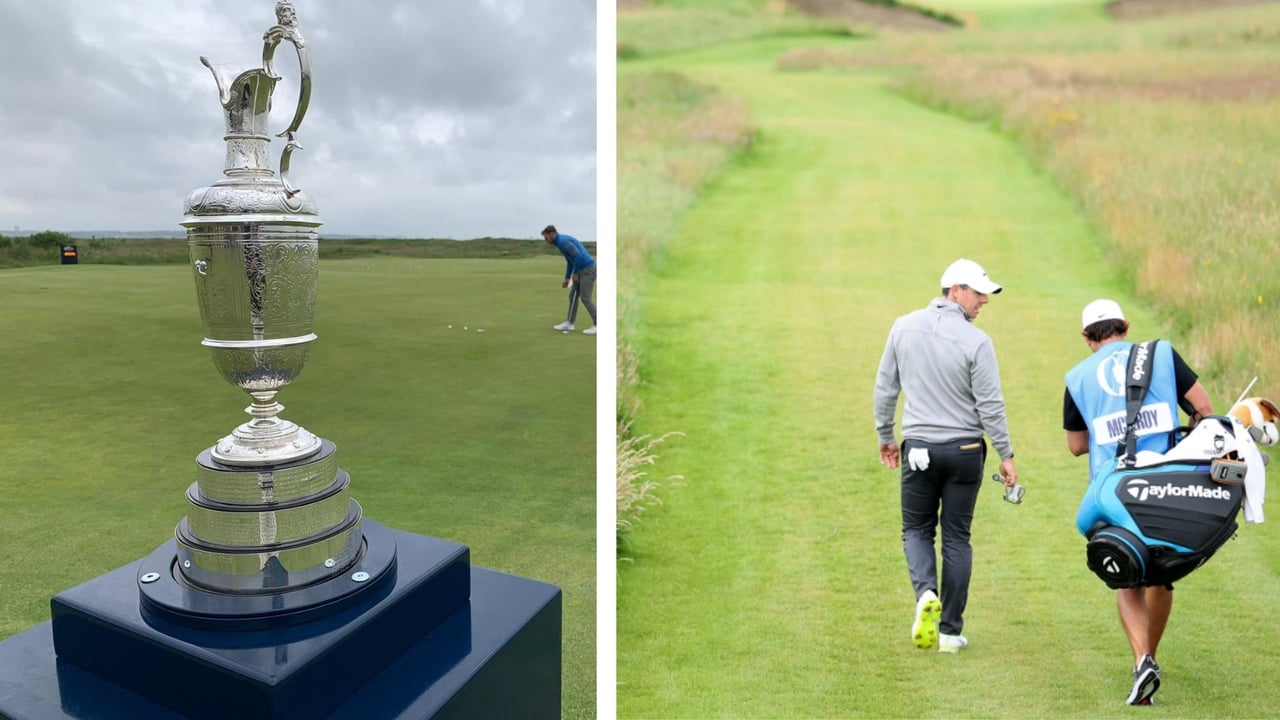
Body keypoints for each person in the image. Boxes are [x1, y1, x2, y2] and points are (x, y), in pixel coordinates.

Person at [1063, 298, 1212, 706]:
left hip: (1114, 491)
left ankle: (1142, 657)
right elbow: (1203, 409)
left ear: (1086, 337)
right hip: (1167, 483)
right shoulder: (1160, 355)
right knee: (1160, 576)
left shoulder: (1077, 377)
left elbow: (1076, 445)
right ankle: (1150, 656)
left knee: (1127, 574)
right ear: (1125, 326)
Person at [874, 258, 1019, 654]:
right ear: (954, 290)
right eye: (978, 293)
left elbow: (886, 388)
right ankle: (950, 632)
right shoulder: (977, 342)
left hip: (918, 448)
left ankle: (925, 594)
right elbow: (990, 405)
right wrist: (1006, 454)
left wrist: (886, 436)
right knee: (956, 538)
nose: (984, 302)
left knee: (917, 530)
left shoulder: (903, 326)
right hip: (966, 451)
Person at [542, 225, 597, 335]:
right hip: (581, 270)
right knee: (573, 296)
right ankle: (570, 323)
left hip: (588, 270)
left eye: (547, 237)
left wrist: (575, 273)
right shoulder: (559, 243)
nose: (546, 240)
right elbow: (570, 261)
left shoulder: (563, 242)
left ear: (552, 234)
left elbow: (578, 256)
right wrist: (567, 278)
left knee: (585, 298)